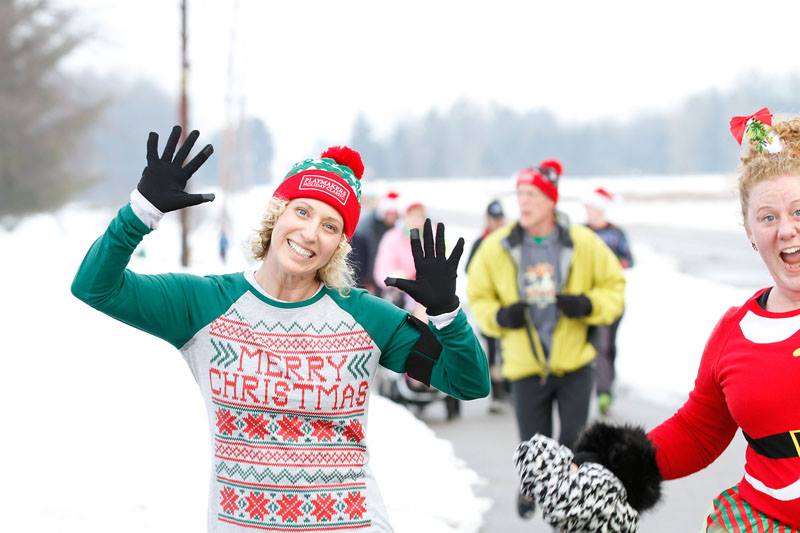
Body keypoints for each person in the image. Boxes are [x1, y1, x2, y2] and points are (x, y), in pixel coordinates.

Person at [71, 126, 490, 533]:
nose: (310, 233)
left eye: (330, 226)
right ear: (277, 215)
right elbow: (95, 287)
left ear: (340, 244)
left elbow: (468, 381)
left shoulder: (367, 318)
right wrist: (140, 212)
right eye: (302, 211)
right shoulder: (204, 304)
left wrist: (447, 314)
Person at [513, 108, 800, 532]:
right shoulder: (736, 333)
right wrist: (608, 465)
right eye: (768, 217)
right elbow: (698, 432)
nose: (787, 230)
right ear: (750, 232)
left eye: (798, 211)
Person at [466, 159, 625, 520]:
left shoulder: (583, 243)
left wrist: (587, 305)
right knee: (534, 443)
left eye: (533, 194)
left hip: (574, 361)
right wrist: (499, 316)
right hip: (524, 363)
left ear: (551, 200)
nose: (523, 202)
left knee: (573, 443)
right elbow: (478, 295)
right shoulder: (497, 247)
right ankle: (531, 484)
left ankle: (566, 512)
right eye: (520, 194)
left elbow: (614, 288)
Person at [583, 187, 634, 416]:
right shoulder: (580, 233)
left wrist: (611, 264)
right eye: (587, 208)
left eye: (592, 208)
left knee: (609, 347)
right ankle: (600, 392)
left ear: (601, 209)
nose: (589, 212)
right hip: (588, 299)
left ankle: (607, 388)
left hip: (613, 299)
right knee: (599, 346)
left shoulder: (616, 234)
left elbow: (628, 260)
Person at [466, 199, 510, 413]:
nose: (496, 222)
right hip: (491, 304)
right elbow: (469, 270)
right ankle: (498, 393)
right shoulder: (481, 242)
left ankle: (510, 388)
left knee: (509, 347)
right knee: (493, 348)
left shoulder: (511, 239)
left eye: (499, 218)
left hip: (509, 302)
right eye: (493, 218)